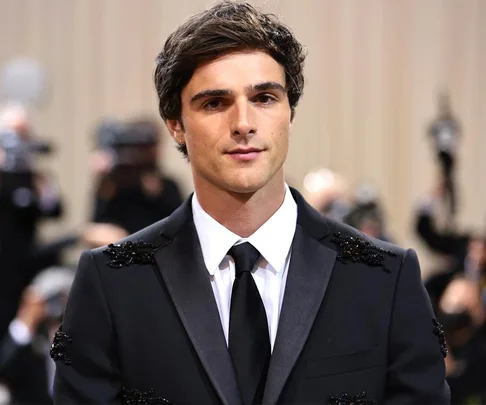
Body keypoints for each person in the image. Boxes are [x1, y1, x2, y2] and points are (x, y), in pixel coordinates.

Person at [52, 2, 450, 404]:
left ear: (289, 113)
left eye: (263, 98)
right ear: (175, 125)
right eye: (214, 103)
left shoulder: (384, 276)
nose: (243, 123)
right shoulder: (111, 282)